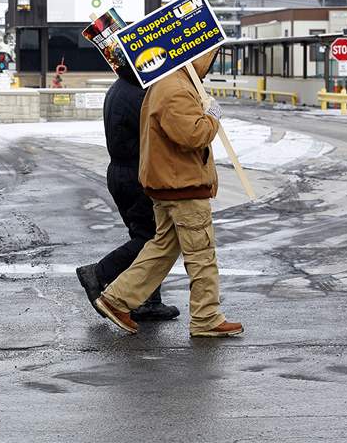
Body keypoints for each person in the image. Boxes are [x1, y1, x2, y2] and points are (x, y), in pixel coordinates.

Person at [94, 52, 244, 338]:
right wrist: (212, 116)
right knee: (201, 254)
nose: (208, 69)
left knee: (162, 247)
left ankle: (116, 299)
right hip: (183, 185)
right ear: (197, 59)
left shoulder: (169, 83)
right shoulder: (175, 87)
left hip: (170, 183)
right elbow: (192, 135)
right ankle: (206, 317)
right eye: (208, 62)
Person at [75, 60, 180, 322]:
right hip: (136, 174)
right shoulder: (138, 93)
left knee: (147, 235)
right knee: (152, 239)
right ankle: (98, 273)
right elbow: (157, 133)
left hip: (122, 172)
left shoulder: (121, 87)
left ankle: (147, 300)